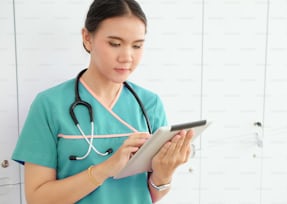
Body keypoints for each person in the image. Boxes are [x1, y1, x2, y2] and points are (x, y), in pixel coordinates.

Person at [12, 0, 194, 203]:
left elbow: (153, 193)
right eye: (115, 44)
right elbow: (37, 199)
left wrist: (164, 173)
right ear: (87, 38)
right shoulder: (49, 105)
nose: (127, 57)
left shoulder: (150, 104)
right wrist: (106, 168)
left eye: (137, 46)